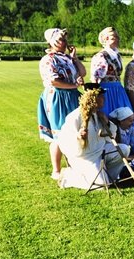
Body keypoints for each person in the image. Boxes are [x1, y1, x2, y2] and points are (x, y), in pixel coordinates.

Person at [57, 83, 130, 189]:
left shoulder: (98, 114)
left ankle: (109, 179)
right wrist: (77, 136)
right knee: (100, 187)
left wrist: (106, 121)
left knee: (123, 149)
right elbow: (64, 141)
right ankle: (69, 177)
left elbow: (110, 136)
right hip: (85, 157)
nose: (104, 98)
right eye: (101, 96)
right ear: (93, 99)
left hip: (101, 150)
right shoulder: (75, 116)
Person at [37, 28, 86, 179]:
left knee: (74, 131)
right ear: (52, 42)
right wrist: (72, 86)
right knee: (59, 134)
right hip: (57, 97)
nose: (64, 43)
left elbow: (82, 73)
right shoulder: (48, 59)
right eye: (61, 40)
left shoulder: (67, 58)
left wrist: (75, 58)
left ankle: (72, 166)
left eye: (65, 40)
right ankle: (56, 170)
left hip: (71, 96)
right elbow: (53, 80)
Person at [90, 27, 132, 116]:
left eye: (117, 37)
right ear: (106, 39)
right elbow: (95, 79)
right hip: (107, 92)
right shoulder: (101, 56)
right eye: (114, 37)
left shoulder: (117, 55)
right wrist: (96, 96)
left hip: (118, 90)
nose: (118, 39)